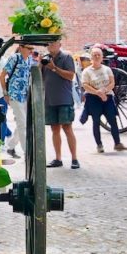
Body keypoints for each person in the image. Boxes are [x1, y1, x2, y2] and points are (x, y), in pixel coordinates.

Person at [80, 46, 127, 154]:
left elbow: (112, 83)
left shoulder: (107, 69)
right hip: (93, 99)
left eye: (99, 55)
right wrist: (97, 92)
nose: (97, 57)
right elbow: (85, 85)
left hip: (107, 97)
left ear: (102, 57)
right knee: (96, 122)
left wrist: (105, 90)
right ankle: (99, 145)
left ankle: (117, 143)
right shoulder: (86, 72)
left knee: (113, 120)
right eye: (94, 55)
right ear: (91, 57)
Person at [41, 36, 80, 169]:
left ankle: (74, 158)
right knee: (54, 129)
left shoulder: (66, 57)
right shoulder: (45, 59)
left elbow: (70, 75)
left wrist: (54, 68)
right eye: (49, 43)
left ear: (59, 44)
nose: (50, 45)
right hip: (50, 99)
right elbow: (40, 78)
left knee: (67, 128)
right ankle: (58, 158)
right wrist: (39, 65)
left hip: (64, 99)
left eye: (53, 42)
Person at [0, 42, 35, 159]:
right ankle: (27, 152)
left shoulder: (29, 59)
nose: (31, 51)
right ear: (21, 48)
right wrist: (5, 93)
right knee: (22, 123)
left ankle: (11, 146)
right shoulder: (14, 58)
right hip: (15, 94)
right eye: (29, 48)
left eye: (32, 48)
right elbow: (2, 75)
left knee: (23, 123)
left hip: (25, 95)